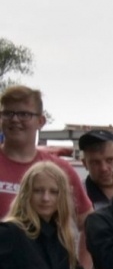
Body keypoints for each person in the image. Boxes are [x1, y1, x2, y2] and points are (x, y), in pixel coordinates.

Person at [0, 85, 94, 221]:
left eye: (24, 114)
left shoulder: (60, 170)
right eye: (8, 113)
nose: (14, 119)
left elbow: (88, 223)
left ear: (41, 121)